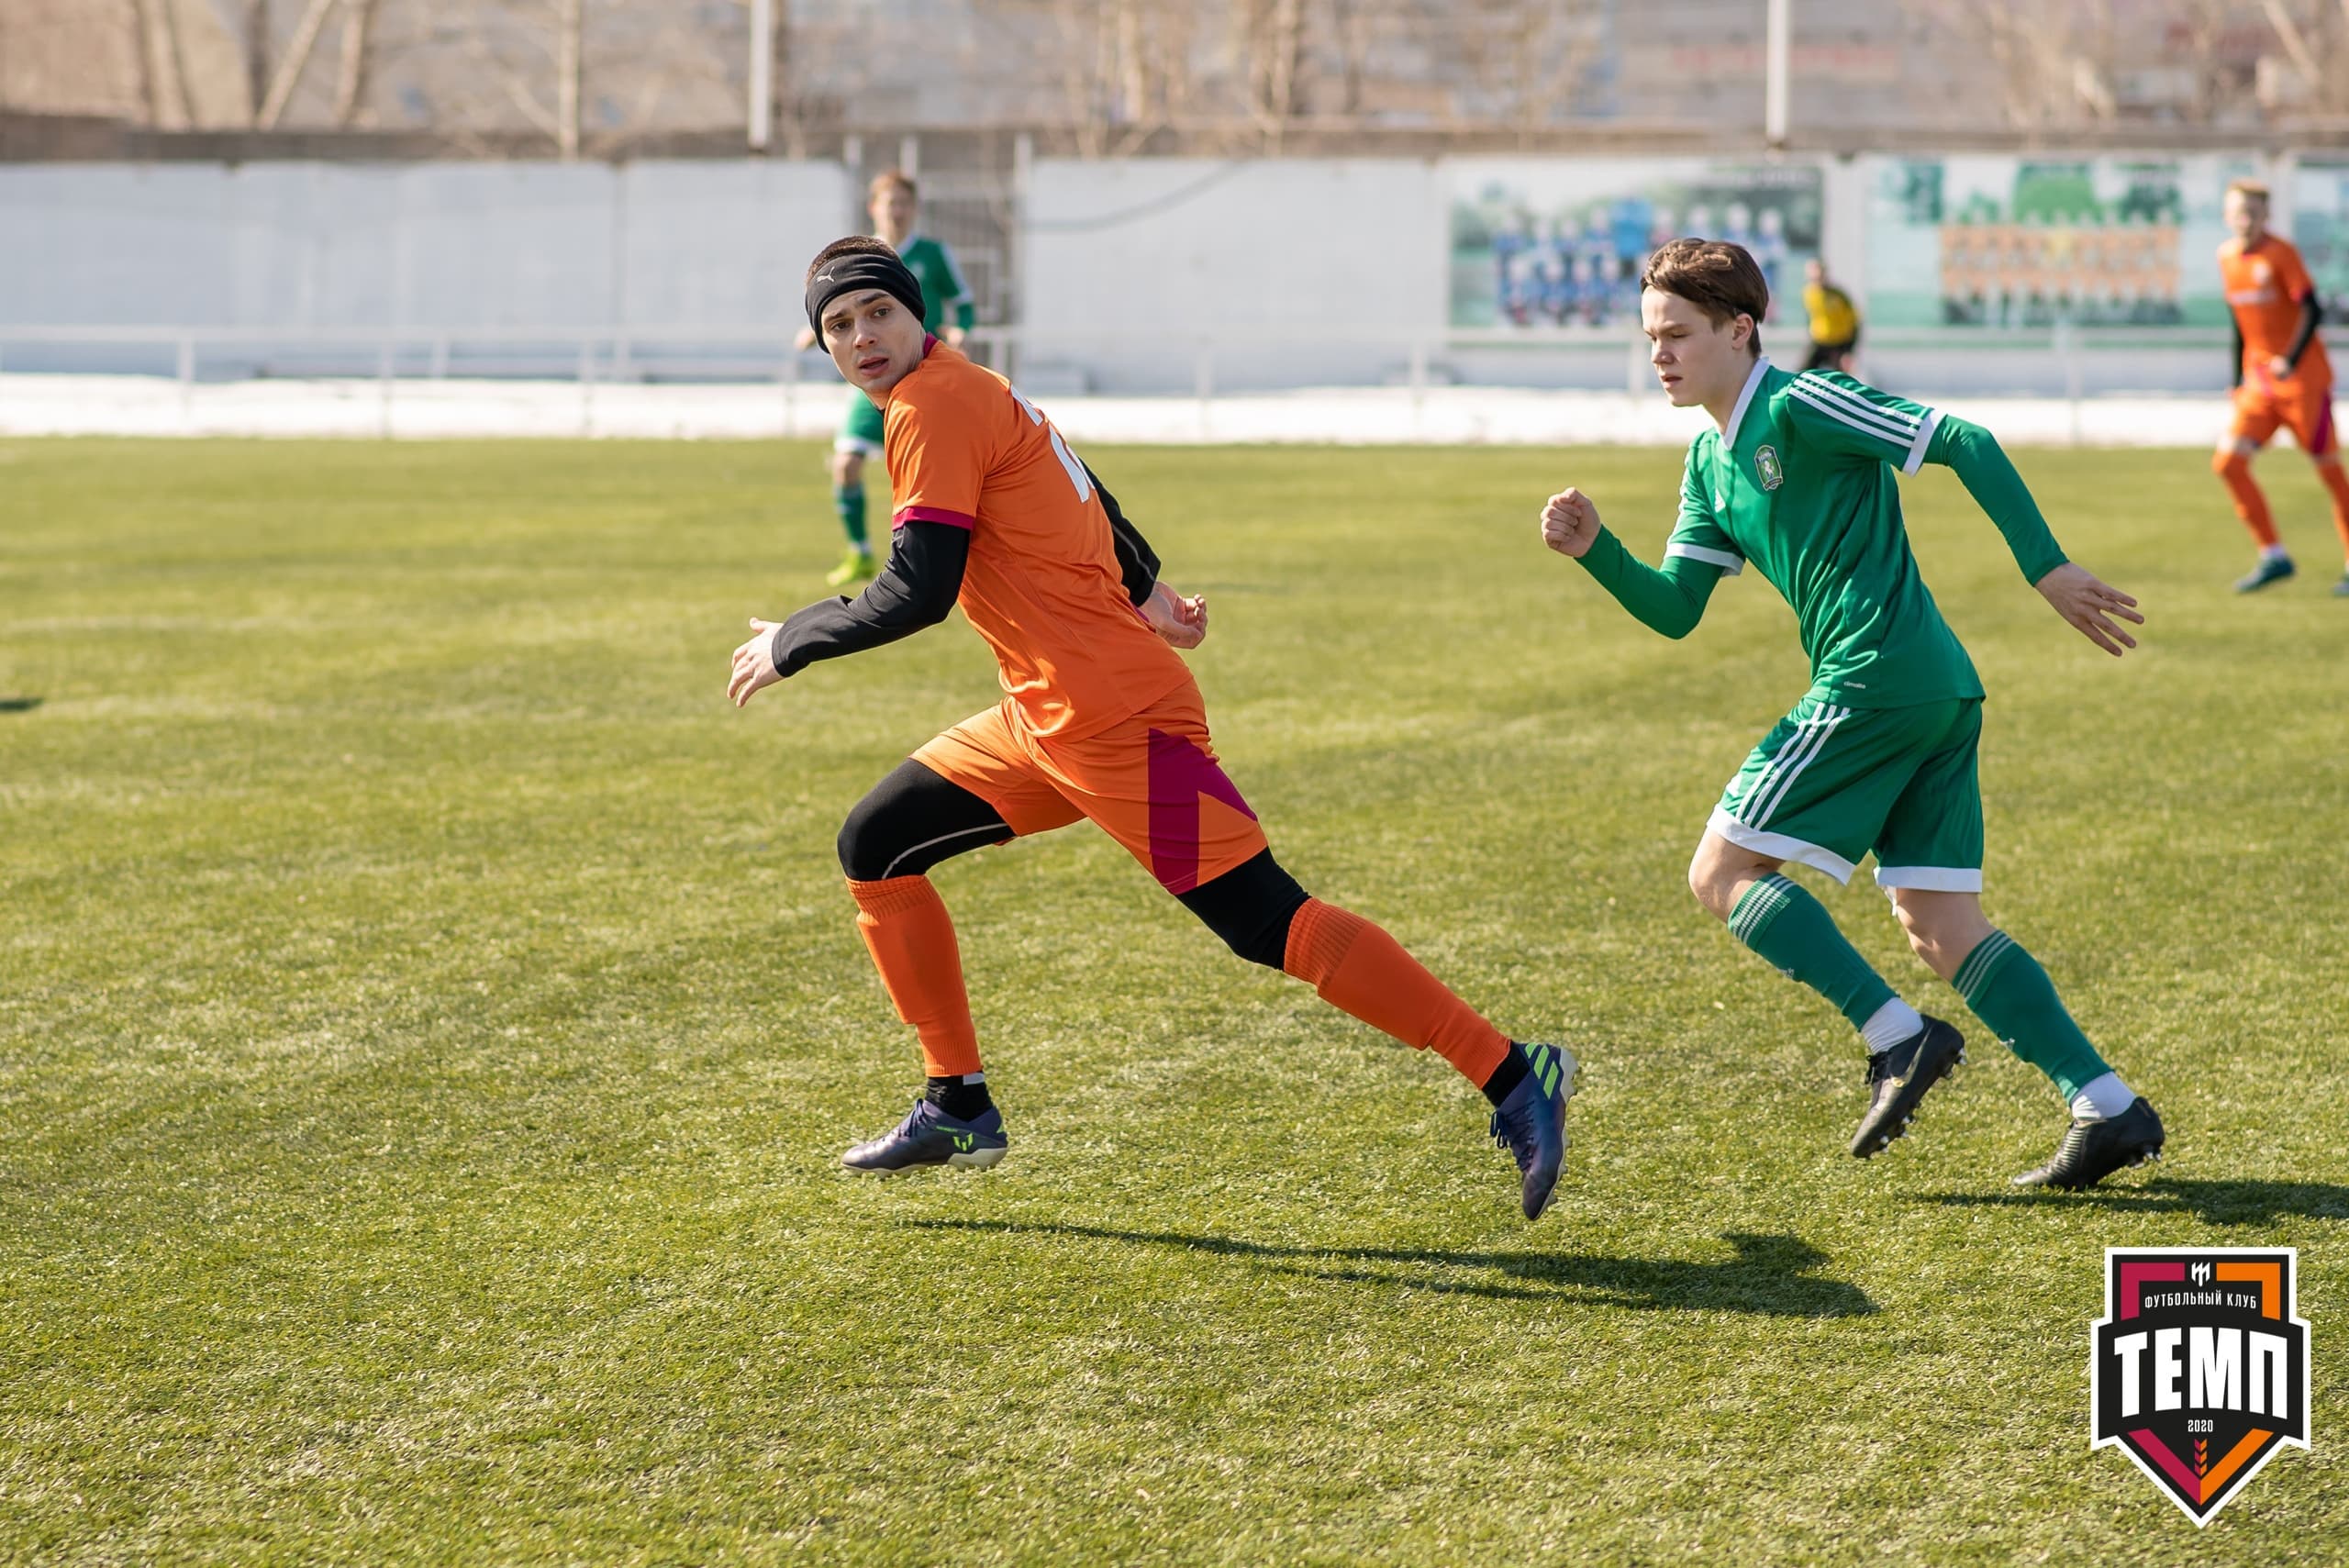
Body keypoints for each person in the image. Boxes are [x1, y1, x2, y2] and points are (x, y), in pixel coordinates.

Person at [730, 237, 1579, 1219]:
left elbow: (919, 588)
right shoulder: (970, 384)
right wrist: (1148, 588)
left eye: (878, 312)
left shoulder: (930, 402)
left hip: (1120, 725)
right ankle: (957, 1101)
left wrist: (796, 637)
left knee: (1270, 921)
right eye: (839, 325)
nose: (862, 336)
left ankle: (1513, 1073)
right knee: (876, 844)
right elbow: (1082, 483)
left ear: (918, 317)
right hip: (1048, 717)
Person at [1538, 238, 2165, 1192]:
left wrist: (2046, 566)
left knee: (1721, 868)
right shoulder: (1708, 462)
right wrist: (1597, 550)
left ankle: (1896, 1036)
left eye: (1676, 334)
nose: (1658, 355)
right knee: (1938, 922)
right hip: (1932, 690)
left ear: (1739, 329)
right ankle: (2107, 1104)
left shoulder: (1801, 401)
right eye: (1648, 338)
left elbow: (1965, 440)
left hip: (1877, 680)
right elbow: (1674, 608)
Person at [794, 171, 978, 588]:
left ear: (913, 209)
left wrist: (961, 328)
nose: (896, 211)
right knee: (845, 464)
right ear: (873, 208)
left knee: (933, 470)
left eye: (903, 203)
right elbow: (836, 305)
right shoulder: (861, 256)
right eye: (888, 203)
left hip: (924, 373)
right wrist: (815, 331)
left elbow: (963, 303)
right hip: (877, 381)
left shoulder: (932, 254)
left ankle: (944, 556)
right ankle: (859, 552)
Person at [2210, 180, 2349, 595]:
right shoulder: (2226, 257)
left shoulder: (2281, 253)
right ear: (2227, 216)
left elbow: (2311, 307)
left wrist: (2290, 359)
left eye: (2253, 212)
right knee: (2228, 463)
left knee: (2329, 472)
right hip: (2260, 386)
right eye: (2239, 212)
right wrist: (2236, 377)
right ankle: (2274, 556)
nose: (2245, 220)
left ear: (2266, 217)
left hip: (2303, 383)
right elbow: (2239, 320)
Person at [1801, 259, 1860, 373]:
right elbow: (1810, 317)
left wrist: (1849, 352)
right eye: (1812, 278)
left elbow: (1854, 322)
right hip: (1819, 341)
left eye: (1818, 277)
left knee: (1841, 379)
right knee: (1803, 373)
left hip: (1839, 343)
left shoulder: (1838, 295)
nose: (1815, 281)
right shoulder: (1808, 293)